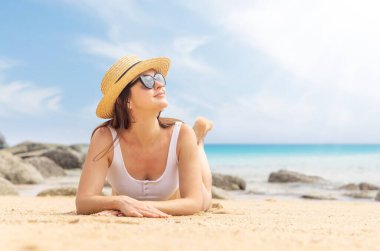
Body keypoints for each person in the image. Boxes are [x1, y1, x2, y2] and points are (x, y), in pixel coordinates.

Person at [76, 55, 214, 218]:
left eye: (159, 78)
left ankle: (199, 141)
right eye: (147, 81)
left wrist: (131, 204)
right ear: (125, 100)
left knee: (205, 196)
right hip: (148, 199)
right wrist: (120, 202)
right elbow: (83, 202)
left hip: (175, 196)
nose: (159, 84)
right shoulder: (105, 137)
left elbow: (193, 203)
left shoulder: (182, 134)